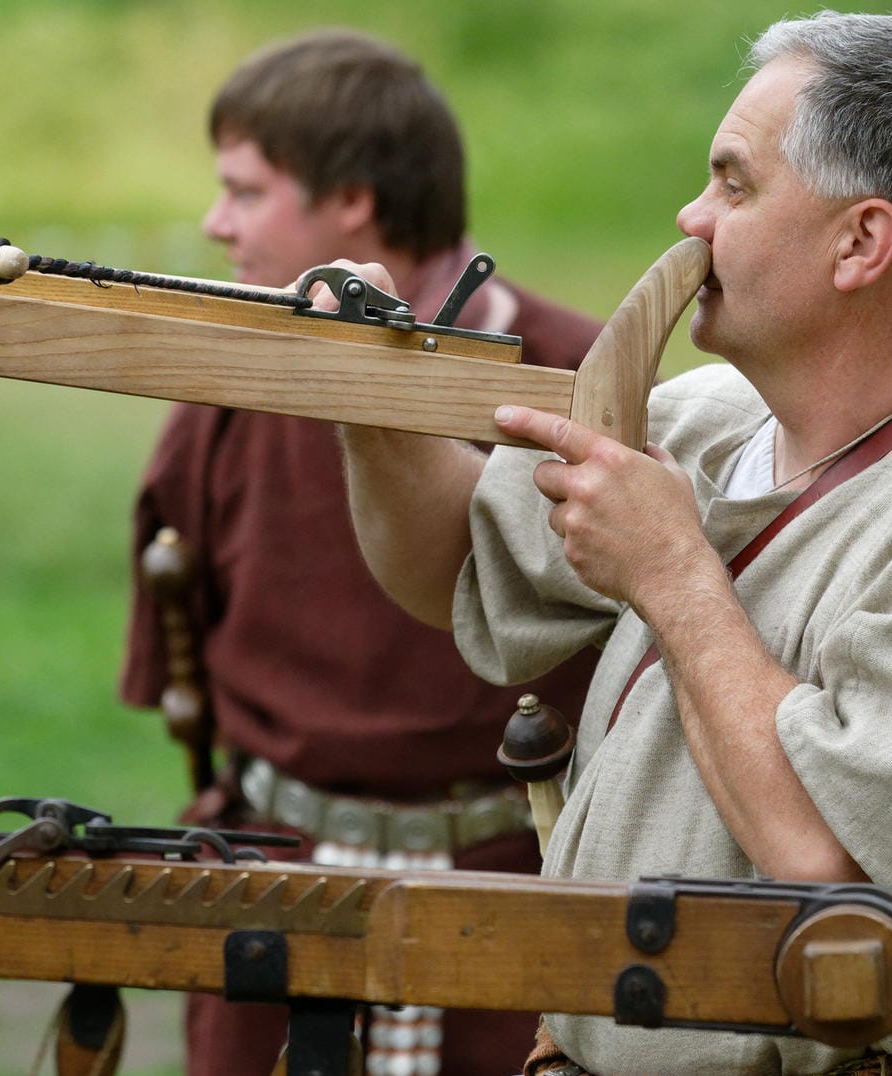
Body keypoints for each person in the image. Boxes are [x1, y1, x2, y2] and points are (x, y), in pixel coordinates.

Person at [335, 13, 892, 1075]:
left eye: (735, 186)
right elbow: (455, 568)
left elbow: (829, 866)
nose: (691, 217)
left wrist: (672, 572)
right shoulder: (711, 416)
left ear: (862, 243)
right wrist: (360, 393)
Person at [118, 29, 606, 1076]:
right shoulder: (228, 396)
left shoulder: (585, 387)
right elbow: (183, 653)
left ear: (352, 203)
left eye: (245, 192)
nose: (216, 223)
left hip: (522, 925)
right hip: (271, 908)